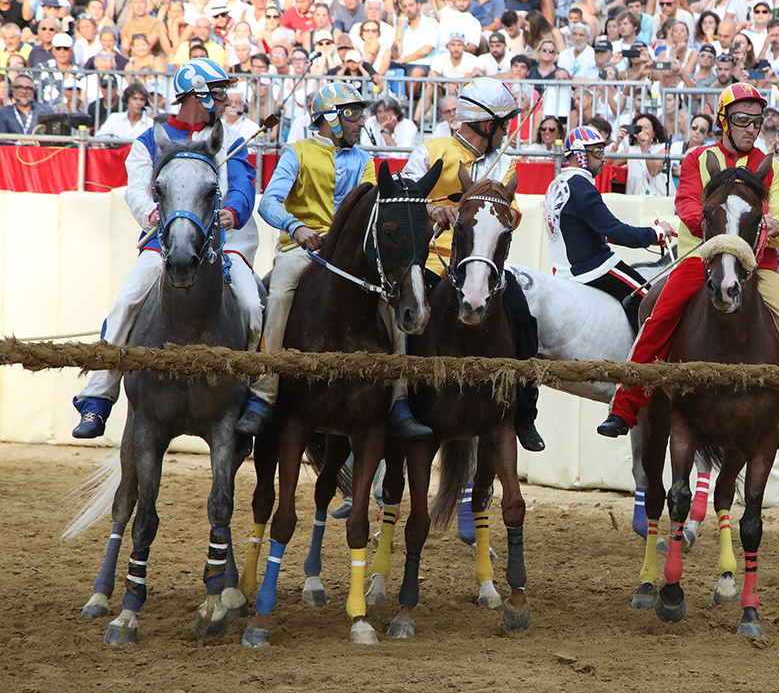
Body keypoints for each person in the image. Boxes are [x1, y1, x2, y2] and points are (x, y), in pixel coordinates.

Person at [597, 83, 779, 461]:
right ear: (724, 122)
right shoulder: (697, 157)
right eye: (742, 120)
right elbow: (687, 207)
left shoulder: (772, 166)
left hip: (757, 267)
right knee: (658, 316)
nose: (750, 128)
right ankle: (625, 406)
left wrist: (777, 228)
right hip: (700, 260)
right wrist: (721, 232)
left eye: (757, 122)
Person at [73, 59, 262, 438]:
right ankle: (97, 397)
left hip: (224, 247)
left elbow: (243, 185)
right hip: (166, 243)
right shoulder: (149, 139)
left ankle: (252, 396)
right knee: (127, 301)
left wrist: (231, 212)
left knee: (252, 308)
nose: (226, 100)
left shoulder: (233, 139)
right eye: (220, 92)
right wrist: (153, 216)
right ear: (199, 95)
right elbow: (136, 190)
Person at [235, 82, 432, 441]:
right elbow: (269, 202)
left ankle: (398, 399)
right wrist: (296, 228)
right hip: (302, 249)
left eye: (361, 114)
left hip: (352, 255)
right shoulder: (296, 152)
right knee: (278, 294)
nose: (361, 121)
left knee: (392, 305)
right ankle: (264, 393)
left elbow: (377, 202)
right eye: (354, 114)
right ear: (331, 119)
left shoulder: (367, 161)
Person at [401, 77, 546, 452]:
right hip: (433, 259)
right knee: (395, 319)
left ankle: (524, 412)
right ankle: (395, 403)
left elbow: (511, 217)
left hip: (486, 264)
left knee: (524, 317)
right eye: (505, 123)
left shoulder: (504, 164)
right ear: (487, 125)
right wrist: (433, 209)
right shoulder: (430, 151)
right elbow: (403, 202)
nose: (508, 130)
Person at [544, 126, 674, 330]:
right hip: (592, 268)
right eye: (597, 152)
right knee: (651, 301)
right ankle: (644, 358)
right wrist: (657, 232)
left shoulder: (557, 183)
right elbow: (619, 232)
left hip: (562, 270)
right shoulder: (583, 188)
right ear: (580, 155)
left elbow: (579, 230)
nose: (603, 159)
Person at [0, 74, 51, 139]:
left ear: (34, 91)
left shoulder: (46, 111)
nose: (24, 91)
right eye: (19, 88)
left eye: (28, 88)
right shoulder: (3, 113)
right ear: (12, 90)